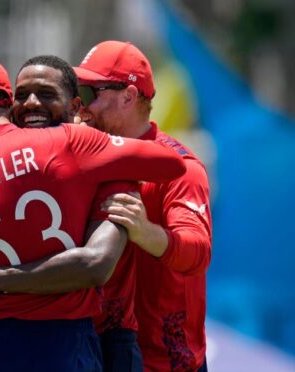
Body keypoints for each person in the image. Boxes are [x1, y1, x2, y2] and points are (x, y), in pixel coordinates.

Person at [0, 54, 187, 372]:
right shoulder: (77, 143)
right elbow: (171, 163)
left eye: (46, 94)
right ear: (8, 105)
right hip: (64, 341)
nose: (32, 103)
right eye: (22, 96)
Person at [74, 40, 212, 372]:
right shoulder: (84, 157)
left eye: (90, 92)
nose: (81, 106)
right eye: (76, 92)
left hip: (166, 361)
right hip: (101, 353)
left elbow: (197, 252)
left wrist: (144, 231)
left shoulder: (180, 167)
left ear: (129, 96)